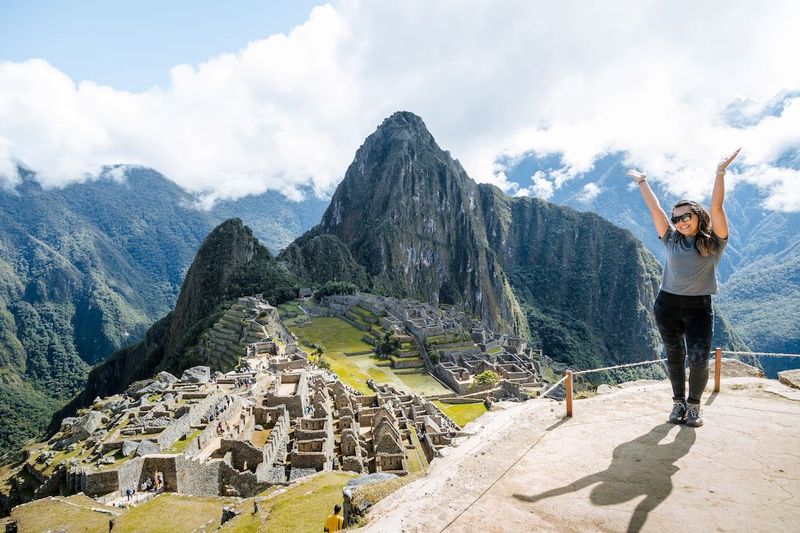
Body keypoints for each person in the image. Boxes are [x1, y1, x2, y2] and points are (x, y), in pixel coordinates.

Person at [628, 148, 740, 428]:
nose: (679, 222)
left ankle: (694, 406)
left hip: (699, 308)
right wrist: (643, 182)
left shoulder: (714, 242)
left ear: (697, 216)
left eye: (685, 216)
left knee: (699, 360)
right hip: (667, 305)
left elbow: (717, 207)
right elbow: (655, 210)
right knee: (675, 356)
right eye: (676, 218)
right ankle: (678, 402)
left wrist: (720, 172)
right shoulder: (670, 239)